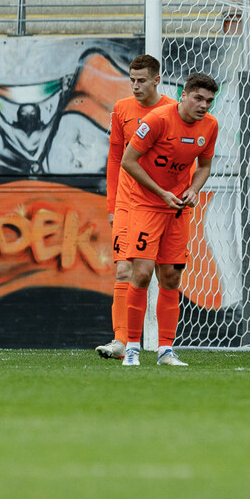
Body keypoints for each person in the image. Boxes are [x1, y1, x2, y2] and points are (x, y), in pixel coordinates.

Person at [119, 71, 219, 367]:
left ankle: (165, 350)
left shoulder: (210, 125)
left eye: (209, 101)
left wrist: (193, 189)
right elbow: (128, 161)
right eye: (198, 98)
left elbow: (205, 165)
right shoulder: (157, 120)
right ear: (183, 95)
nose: (203, 105)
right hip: (147, 205)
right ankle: (133, 348)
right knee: (142, 273)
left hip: (177, 209)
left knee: (172, 278)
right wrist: (161, 192)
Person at [94, 55, 177, 361]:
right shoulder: (122, 109)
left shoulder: (172, 111)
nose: (135, 85)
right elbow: (116, 157)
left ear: (157, 80)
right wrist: (113, 204)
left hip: (160, 205)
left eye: (141, 80)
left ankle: (164, 345)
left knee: (163, 273)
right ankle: (121, 342)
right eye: (132, 79)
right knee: (124, 269)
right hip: (128, 203)